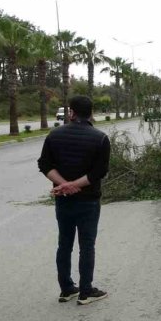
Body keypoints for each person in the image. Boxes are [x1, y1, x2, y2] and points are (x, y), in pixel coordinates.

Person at [37, 95, 111, 305]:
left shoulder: (54, 135)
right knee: (87, 245)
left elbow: (44, 164)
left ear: (71, 112)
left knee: (64, 244)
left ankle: (67, 288)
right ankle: (86, 291)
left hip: (63, 201)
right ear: (91, 113)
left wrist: (63, 185)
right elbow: (99, 172)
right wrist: (74, 185)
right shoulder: (101, 138)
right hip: (88, 201)